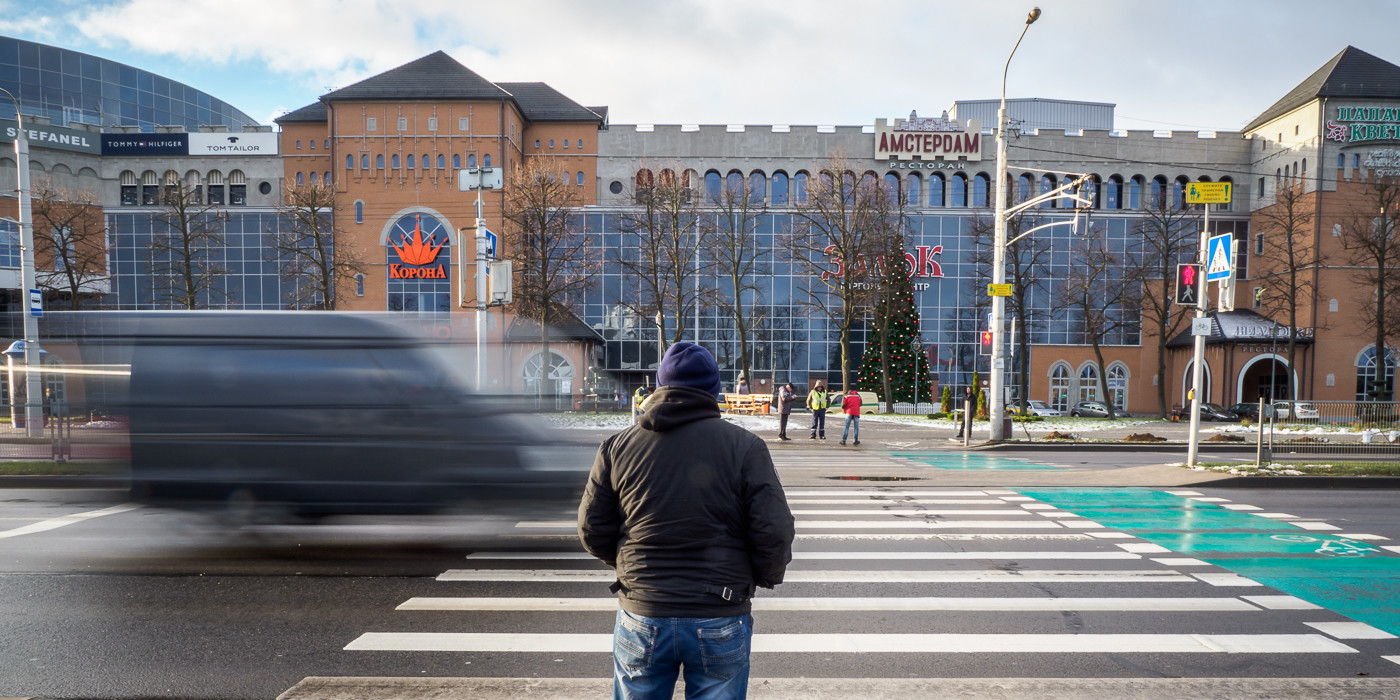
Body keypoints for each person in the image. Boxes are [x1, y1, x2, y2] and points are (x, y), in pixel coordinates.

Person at [579, 342, 795, 700]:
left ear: (660, 385)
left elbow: (591, 529)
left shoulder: (617, 447)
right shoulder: (744, 447)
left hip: (644, 608)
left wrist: (630, 567)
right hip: (719, 609)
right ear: (713, 389)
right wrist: (762, 576)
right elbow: (773, 530)